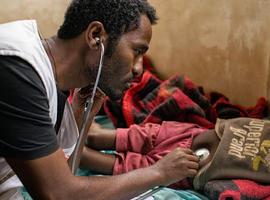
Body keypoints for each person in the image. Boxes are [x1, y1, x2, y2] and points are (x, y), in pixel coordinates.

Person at [0, 0, 201, 199]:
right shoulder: (17, 68)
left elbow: (65, 175)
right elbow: (59, 193)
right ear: (96, 36)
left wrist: (83, 115)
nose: (139, 68)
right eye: (137, 51)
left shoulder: (52, 86)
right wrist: (158, 173)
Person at [82, 117, 270, 190]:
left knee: (108, 162)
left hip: (186, 167)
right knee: (98, 137)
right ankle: (89, 137)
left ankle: (71, 156)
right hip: (190, 133)